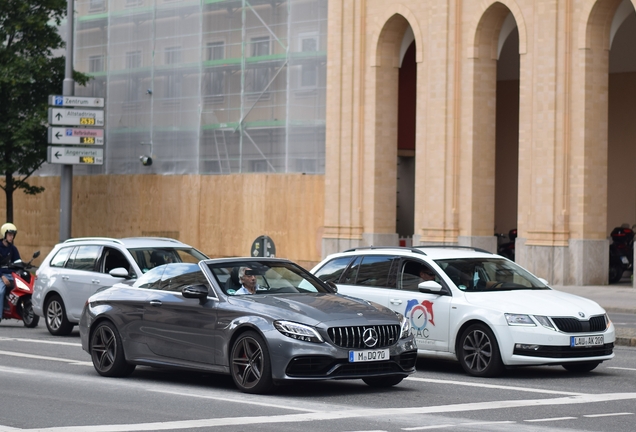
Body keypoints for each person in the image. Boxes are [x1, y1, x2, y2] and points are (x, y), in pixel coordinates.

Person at [0, 223, 20, 320]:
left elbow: (18, 262)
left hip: (12, 275)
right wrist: (2, 277)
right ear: (4, 234)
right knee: (0, 291)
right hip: (1, 275)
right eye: (9, 235)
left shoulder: (13, 248)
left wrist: (23, 266)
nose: (11, 237)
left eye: (13, 235)